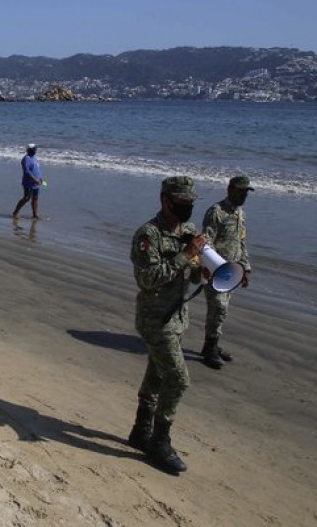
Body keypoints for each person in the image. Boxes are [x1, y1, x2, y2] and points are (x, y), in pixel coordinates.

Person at [127, 176, 206, 474]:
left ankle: (140, 430)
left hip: (177, 317)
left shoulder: (187, 231)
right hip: (155, 319)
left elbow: (191, 273)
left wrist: (202, 270)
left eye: (190, 204)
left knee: (158, 374)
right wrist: (186, 256)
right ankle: (160, 442)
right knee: (178, 378)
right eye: (182, 203)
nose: (187, 209)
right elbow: (147, 279)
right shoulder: (148, 234)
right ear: (165, 200)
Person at [200, 175, 253, 369]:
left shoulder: (240, 214)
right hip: (216, 270)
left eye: (246, 192)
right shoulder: (216, 212)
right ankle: (209, 349)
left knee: (222, 310)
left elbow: (241, 242)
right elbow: (206, 241)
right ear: (230, 189)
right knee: (218, 308)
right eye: (241, 191)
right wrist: (211, 266)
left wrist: (245, 268)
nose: (244, 195)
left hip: (233, 272)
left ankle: (213, 344)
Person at [12, 143, 43, 219]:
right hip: (28, 182)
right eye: (34, 149)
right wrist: (35, 179)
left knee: (35, 198)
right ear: (29, 150)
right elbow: (27, 171)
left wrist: (40, 178)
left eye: (35, 149)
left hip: (36, 183)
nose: (35, 150)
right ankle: (15, 212)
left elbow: (37, 169)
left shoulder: (34, 158)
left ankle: (35, 215)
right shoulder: (26, 158)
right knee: (26, 198)